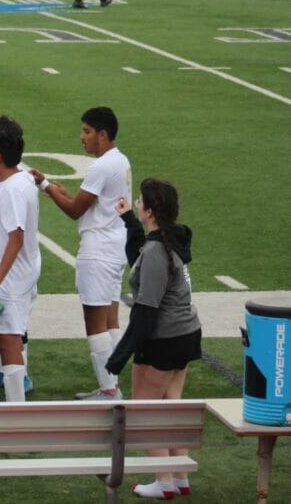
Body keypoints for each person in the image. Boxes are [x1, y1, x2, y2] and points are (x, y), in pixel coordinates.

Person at [106, 179, 200, 500]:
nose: (135, 203)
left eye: (139, 203)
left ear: (150, 210)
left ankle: (164, 482)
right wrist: (129, 221)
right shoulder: (169, 240)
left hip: (164, 338)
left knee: (145, 412)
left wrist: (120, 355)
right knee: (170, 405)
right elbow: (143, 263)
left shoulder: (159, 250)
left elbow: (146, 311)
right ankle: (180, 475)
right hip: (186, 334)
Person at [29, 107, 131, 401]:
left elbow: (75, 210)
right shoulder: (120, 160)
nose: (81, 137)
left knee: (95, 321)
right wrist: (48, 185)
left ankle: (109, 389)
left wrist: (46, 186)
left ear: (103, 134)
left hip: (98, 249)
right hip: (115, 245)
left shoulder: (101, 166)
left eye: (87, 131)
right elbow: (87, 202)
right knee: (110, 319)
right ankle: (110, 384)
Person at [0, 115, 40, 403]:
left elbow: (16, 238)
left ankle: (18, 409)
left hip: (13, 279)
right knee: (7, 337)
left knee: (9, 340)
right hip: (17, 275)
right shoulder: (16, 180)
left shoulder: (13, 189)